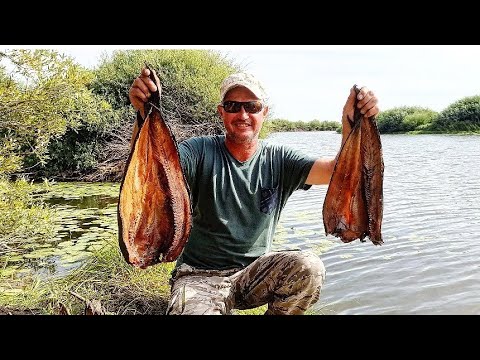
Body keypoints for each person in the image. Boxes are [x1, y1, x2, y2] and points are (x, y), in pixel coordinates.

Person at [128, 67, 379, 315]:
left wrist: (350, 123)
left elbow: (337, 172)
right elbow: (153, 171)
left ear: (264, 112)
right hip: (198, 276)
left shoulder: (280, 159)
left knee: (309, 268)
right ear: (221, 112)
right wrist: (144, 114)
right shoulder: (199, 151)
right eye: (233, 106)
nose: (243, 114)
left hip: (254, 274)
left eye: (252, 106)